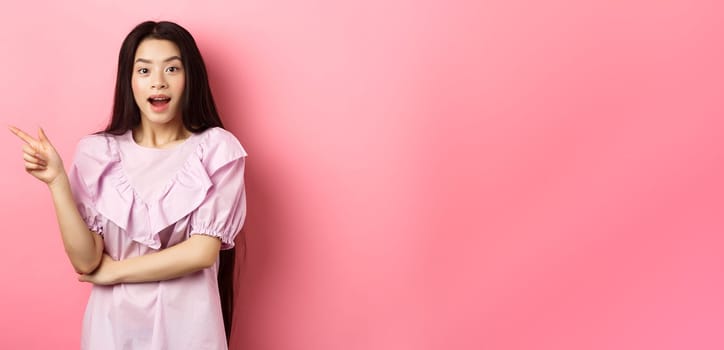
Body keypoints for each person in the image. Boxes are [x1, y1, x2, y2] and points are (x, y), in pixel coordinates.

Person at [9, 21, 246, 350]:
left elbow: (201, 252)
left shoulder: (217, 150)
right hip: (112, 329)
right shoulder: (97, 153)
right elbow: (86, 261)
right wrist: (57, 181)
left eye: (172, 68)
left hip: (190, 330)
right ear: (129, 80)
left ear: (191, 77)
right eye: (144, 70)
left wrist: (115, 273)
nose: (158, 82)